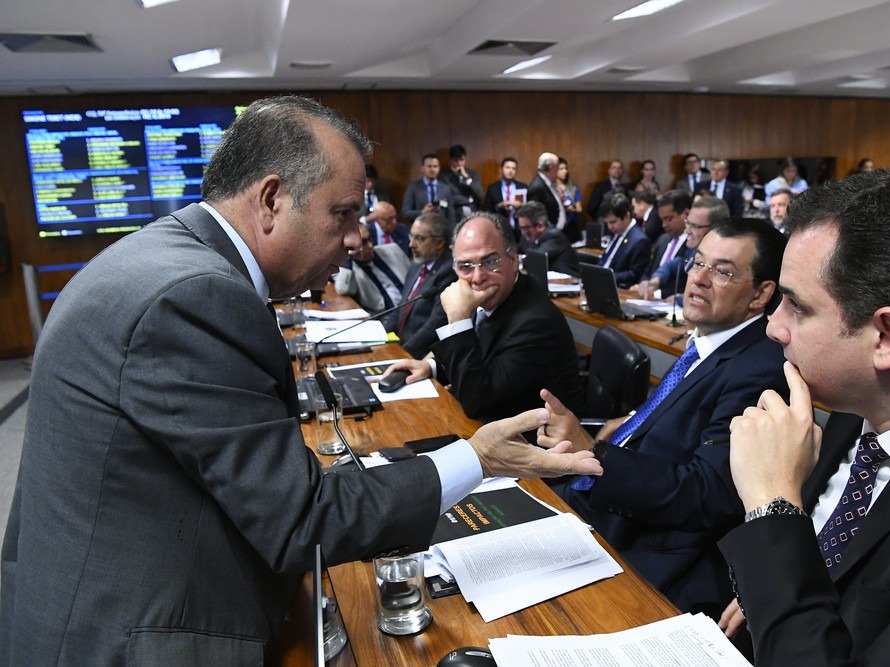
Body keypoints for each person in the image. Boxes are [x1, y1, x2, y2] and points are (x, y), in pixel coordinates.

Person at [0, 96, 601, 665]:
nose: (352, 238)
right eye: (341, 214)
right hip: (132, 635)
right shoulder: (196, 295)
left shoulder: (165, 256)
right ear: (270, 199)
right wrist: (477, 458)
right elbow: (300, 518)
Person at [717, 170, 890, 665]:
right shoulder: (861, 400)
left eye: (797, 307)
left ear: (888, 337)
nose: (772, 327)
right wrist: (774, 587)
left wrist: (772, 511)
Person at [538, 218, 789, 614]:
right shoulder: (709, 342)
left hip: (646, 551)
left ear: (761, 294)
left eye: (722, 272)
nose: (700, 280)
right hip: (597, 504)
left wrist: (595, 453)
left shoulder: (759, 370)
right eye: (698, 263)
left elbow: (705, 494)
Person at [382, 212, 585, 425]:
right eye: (465, 266)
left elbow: (477, 400)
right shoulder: (491, 298)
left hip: (539, 443)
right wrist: (431, 367)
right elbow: (480, 358)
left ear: (513, 260)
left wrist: (458, 319)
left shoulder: (534, 322)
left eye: (490, 261)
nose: (478, 278)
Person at [391, 211, 458, 359]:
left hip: (420, 353)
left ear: (440, 243)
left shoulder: (448, 272)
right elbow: (402, 306)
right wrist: (379, 336)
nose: (411, 244)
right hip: (398, 344)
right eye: (411, 236)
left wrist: (403, 353)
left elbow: (436, 323)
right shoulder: (416, 265)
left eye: (419, 239)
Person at [638, 195, 728, 299]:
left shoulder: (725, 263)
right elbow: (672, 266)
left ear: (716, 228)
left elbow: (715, 298)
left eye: (694, 226)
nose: (687, 231)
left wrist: (680, 299)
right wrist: (656, 280)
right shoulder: (693, 252)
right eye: (688, 223)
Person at [335, 222, 410, 319]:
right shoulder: (347, 270)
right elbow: (343, 290)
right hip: (385, 318)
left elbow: (415, 278)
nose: (370, 245)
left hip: (411, 308)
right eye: (364, 242)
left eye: (370, 238)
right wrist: (348, 256)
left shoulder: (392, 249)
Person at [597, 193, 650, 288]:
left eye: (613, 222)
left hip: (619, 288)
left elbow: (634, 274)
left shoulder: (639, 240)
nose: (610, 227)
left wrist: (606, 276)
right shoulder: (617, 232)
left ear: (626, 216)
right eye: (607, 223)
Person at [516, 201, 580, 277]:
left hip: (568, 283)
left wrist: (517, 260)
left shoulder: (554, 237)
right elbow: (514, 250)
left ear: (540, 226)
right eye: (521, 228)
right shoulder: (527, 237)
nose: (523, 232)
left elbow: (535, 259)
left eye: (525, 228)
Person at [641, 190, 691, 282]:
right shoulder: (662, 240)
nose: (664, 225)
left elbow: (683, 283)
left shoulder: (693, 246)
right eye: (662, 220)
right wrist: (643, 284)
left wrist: (657, 292)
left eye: (668, 219)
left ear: (686, 214)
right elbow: (647, 273)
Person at [402, 153, 457, 226]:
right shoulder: (413, 187)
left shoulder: (445, 189)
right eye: (429, 166)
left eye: (435, 166)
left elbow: (451, 215)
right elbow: (406, 213)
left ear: (439, 168)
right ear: (422, 168)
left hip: (441, 229)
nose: (432, 169)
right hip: (421, 228)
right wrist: (423, 212)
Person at [483, 156, 528, 234]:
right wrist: (499, 206)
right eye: (508, 167)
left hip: (519, 230)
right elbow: (486, 211)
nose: (510, 171)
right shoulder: (493, 188)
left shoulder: (523, 187)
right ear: (501, 169)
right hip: (500, 229)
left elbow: (529, 209)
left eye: (513, 169)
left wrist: (521, 207)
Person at [439, 144, 484, 219]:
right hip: (453, 212)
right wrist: (468, 200)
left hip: (472, 211)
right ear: (450, 160)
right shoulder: (443, 176)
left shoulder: (473, 174)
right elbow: (446, 198)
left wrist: (467, 178)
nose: (459, 164)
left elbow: (480, 195)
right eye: (456, 161)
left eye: (462, 160)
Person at [527, 152, 566, 233]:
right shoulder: (537, 186)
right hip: (547, 234)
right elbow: (535, 215)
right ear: (551, 167)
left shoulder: (548, 182)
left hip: (555, 231)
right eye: (557, 167)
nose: (558, 170)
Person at [556, 157, 583, 242]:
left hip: (571, 225)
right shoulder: (551, 189)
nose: (565, 171)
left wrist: (572, 209)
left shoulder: (572, 188)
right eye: (561, 169)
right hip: (557, 225)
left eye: (566, 168)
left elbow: (579, 209)